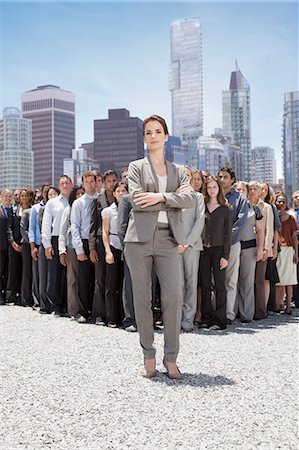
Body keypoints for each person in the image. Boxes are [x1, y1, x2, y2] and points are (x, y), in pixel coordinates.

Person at [124, 114, 195, 379]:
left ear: (166, 136)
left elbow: (190, 200)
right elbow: (137, 200)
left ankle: (171, 358)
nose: (152, 136)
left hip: (168, 240)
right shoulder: (135, 167)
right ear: (144, 138)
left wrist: (161, 196)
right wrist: (171, 199)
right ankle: (148, 356)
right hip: (138, 240)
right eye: (148, 132)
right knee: (142, 299)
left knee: (174, 297)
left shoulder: (179, 171)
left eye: (157, 131)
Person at [218, 167, 248, 325]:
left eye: (225, 177)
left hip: (232, 244)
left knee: (231, 280)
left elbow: (240, 223)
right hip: (214, 245)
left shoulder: (240, 198)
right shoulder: (213, 195)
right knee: (214, 280)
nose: (222, 179)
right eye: (220, 177)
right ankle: (216, 313)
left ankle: (229, 314)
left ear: (232, 180)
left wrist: (227, 239)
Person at [200, 176, 231, 330]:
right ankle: (206, 318)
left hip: (219, 251)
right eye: (209, 187)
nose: (212, 190)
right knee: (205, 285)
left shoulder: (225, 209)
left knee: (220, 285)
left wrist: (226, 256)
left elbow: (228, 235)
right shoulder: (202, 207)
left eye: (215, 187)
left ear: (219, 189)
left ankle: (219, 320)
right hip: (204, 251)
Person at [41, 175, 73, 316]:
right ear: (59, 186)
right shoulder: (52, 203)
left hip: (70, 239)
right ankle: (54, 305)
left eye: (67, 183)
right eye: (62, 183)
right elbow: (46, 224)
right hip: (54, 239)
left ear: (71, 184)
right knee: (54, 274)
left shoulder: (75, 201)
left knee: (68, 274)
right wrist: (47, 244)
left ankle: (67, 305)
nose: (65, 185)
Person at [179, 165, 205, 332]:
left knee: (191, 283)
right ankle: (175, 319)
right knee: (176, 284)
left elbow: (200, 221)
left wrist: (187, 243)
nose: (185, 177)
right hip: (173, 246)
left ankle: (188, 320)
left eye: (188, 174)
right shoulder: (172, 195)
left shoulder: (197, 197)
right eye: (183, 174)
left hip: (192, 246)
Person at [71, 172, 98, 322]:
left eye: (92, 181)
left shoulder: (100, 200)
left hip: (98, 242)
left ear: (96, 182)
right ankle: (82, 311)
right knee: (83, 279)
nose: (90, 184)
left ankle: (96, 311)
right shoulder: (78, 203)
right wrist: (79, 249)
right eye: (86, 182)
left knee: (98, 279)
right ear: (83, 184)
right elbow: (74, 226)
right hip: (84, 241)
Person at [235, 181, 264, 322]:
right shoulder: (229, 207)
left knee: (247, 282)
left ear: (247, 192)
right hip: (233, 248)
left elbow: (260, 230)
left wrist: (260, 248)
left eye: (243, 190)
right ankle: (232, 313)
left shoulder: (255, 209)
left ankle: (246, 314)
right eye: (238, 190)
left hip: (249, 248)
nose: (240, 192)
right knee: (232, 282)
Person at [102, 182, 128, 327]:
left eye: (123, 190)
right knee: (111, 284)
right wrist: (108, 251)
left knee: (124, 284)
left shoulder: (130, 209)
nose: (121, 193)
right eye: (118, 191)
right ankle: (111, 317)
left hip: (126, 247)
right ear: (114, 193)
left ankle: (124, 316)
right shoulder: (108, 211)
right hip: (113, 245)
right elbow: (105, 232)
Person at [59, 186, 84, 319]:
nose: (80, 195)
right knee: (72, 279)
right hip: (71, 247)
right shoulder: (68, 210)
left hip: (85, 246)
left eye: (82, 193)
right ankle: (73, 310)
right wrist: (62, 250)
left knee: (84, 279)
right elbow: (62, 232)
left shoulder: (88, 207)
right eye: (77, 193)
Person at [275, 192, 298, 314]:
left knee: (289, 280)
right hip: (277, 250)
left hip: (288, 250)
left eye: (283, 201)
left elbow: (294, 237)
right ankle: (278, 304)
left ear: (286, 203)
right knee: (278, 280)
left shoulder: (291, 219)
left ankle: (288, 305)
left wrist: (296, 254)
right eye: (279, 201)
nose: (281, 204)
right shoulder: (274, 216)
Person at [28, 184, 50, 308]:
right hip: (38, 244)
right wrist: (32, 247)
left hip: (51, 244)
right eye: (45, 191)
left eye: (49, 191)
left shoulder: (53, 206)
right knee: (38, 275)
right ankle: (38, 301)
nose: (47, 193)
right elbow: (31, 228)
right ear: (42, 193)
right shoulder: (36, 208)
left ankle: (48, 301)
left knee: (48, 276)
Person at [0, 189, 14, 305]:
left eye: (10, 196)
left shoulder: (14, 211)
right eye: (6, 196)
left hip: (12, 247)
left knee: (9, 272)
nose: (8, 198)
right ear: (1, 197)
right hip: (1, 246)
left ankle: (7, 296)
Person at [289, 190, 299, 308]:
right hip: (293, 244)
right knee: (295, 272)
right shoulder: (290, 213)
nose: (298, 198)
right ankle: (296, 299)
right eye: (296, 197)